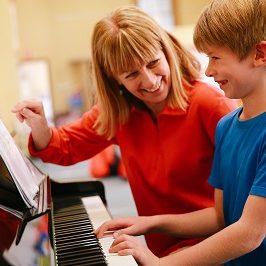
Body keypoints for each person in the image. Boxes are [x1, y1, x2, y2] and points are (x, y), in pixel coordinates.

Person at [12, 6, 236, 257]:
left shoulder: (211, 105)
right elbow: (63, 148)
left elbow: (238, 216)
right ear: (114, 78)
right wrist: (40, 125)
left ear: (166, 50)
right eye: (131, 74)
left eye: (153, 63)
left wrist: (152, 230)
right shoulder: (119, 114)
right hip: (162, 251)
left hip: (215, 249)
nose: (150, 81)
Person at [95, 0, 266, 265]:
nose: (208, 70)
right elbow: (220, 218)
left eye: (215, 57)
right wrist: (149, 224)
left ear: (260, 54)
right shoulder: (226, 127)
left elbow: (249, 233)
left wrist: (161, 263)